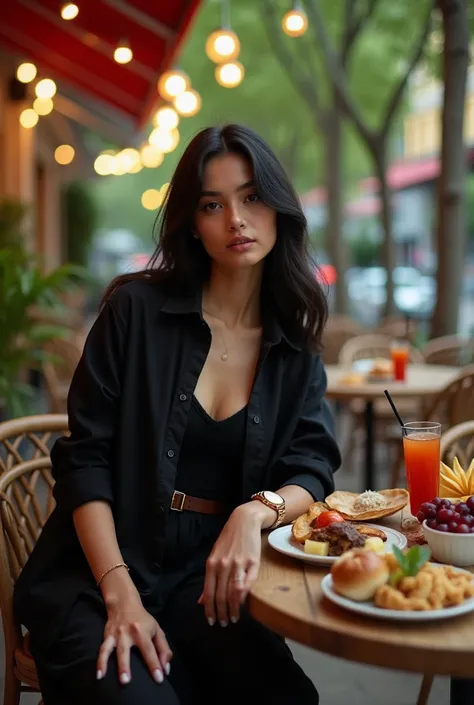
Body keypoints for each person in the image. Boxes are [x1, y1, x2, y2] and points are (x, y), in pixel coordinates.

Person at [14, 124, 341, 705]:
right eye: (213, 204)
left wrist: (254, 513)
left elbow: (312, 465)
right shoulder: (134, 312)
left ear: (279, 209)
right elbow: (84, 462)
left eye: (252, 197)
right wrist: (120, 594)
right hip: (101, 567)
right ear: (193, 221)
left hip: (206, 577)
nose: (236, 219)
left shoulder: (292, 340)